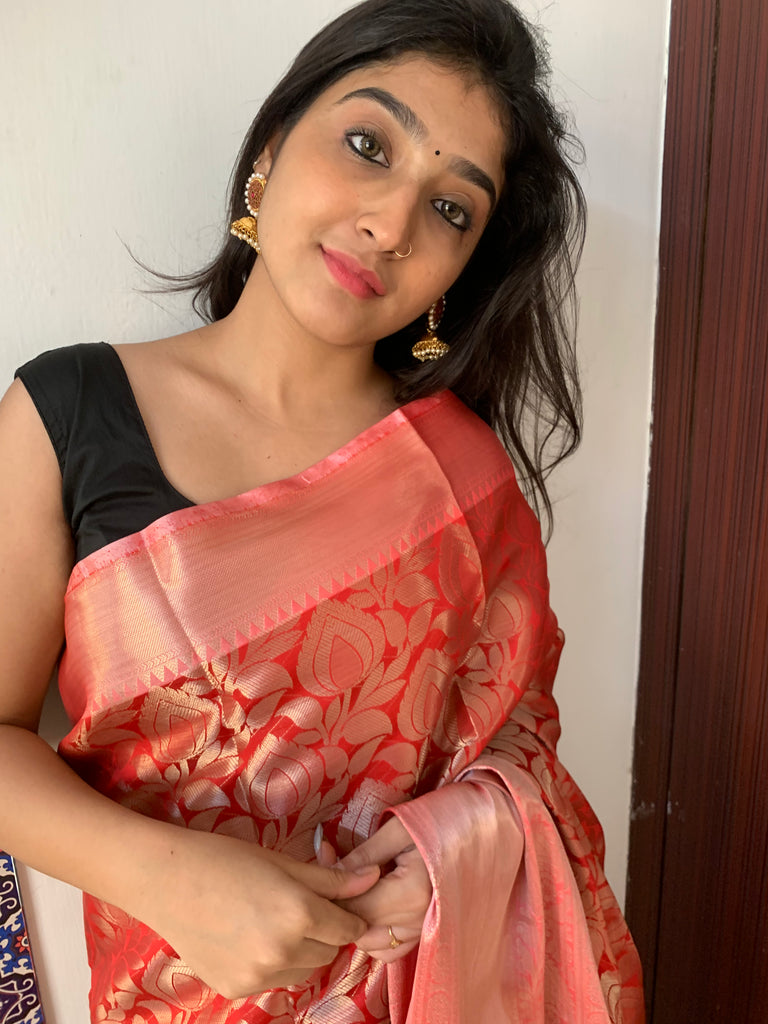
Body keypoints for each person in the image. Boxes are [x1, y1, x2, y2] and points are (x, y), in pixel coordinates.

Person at [0, 0, 644, 1020]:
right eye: (367, 145)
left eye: (451, 209)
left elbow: (517, 744)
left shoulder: (463, 482)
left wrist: (447, 860)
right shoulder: (70, 414)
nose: (390, 224)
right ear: (269, 150)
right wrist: (167, 879)